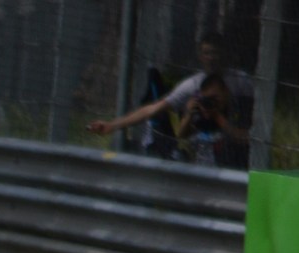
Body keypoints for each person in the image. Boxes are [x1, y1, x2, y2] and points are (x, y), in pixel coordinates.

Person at [91, 33, 255, 169]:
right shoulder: (192, 85)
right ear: (200, 56)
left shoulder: (241, 81)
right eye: (207, 53)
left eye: (215, 53)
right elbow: (153, 110)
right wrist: (112, 125)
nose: (211, 58)